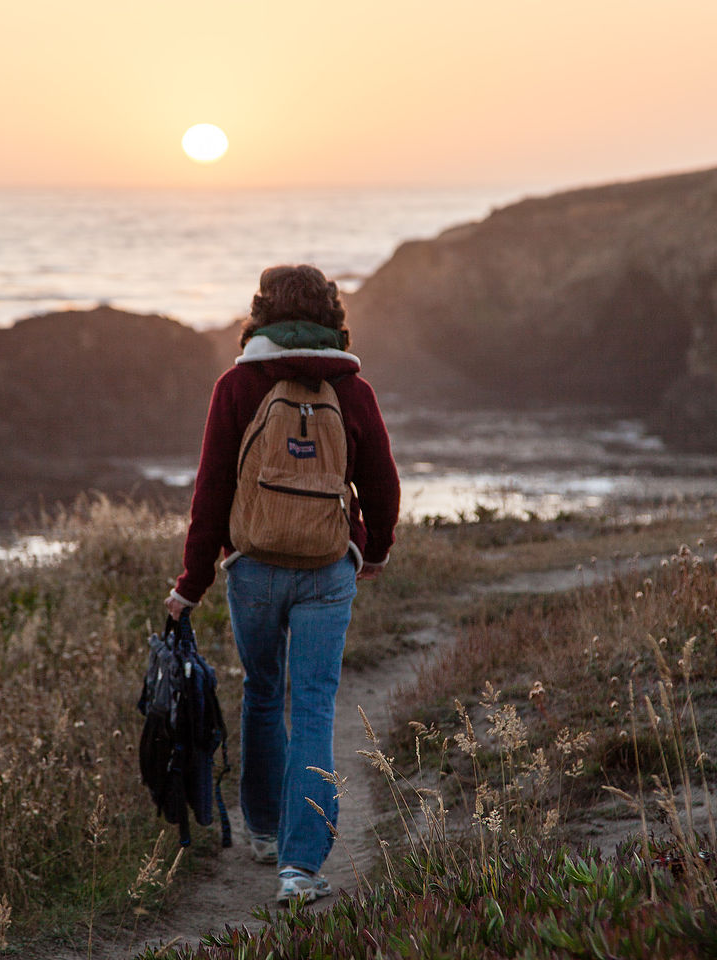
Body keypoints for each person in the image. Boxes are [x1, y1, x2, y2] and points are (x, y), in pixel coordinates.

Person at [165, 264, 400, 904]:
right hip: (327, 570)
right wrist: (370, 549)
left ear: (261, 312)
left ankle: (265, 830)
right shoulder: (353, 390)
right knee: (316, 707)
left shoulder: (238, 384)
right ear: (331, 315)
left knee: (265, 695)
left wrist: (192, 582)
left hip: (253, 568)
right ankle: (300, 866)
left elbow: (211, 490)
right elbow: (382, 485)